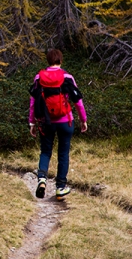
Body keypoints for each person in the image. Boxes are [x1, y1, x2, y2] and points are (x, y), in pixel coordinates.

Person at [29, 48, 88, 201]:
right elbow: (78, 101)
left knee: (45, 151)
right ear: (60, 60)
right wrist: (83, 119)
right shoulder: (67, 77)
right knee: (63, 153)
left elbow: (33, 102)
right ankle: (60, 188)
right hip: (65, 121)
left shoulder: (38, 77)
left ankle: (42, 178)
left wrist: (32, 122)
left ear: (48, 61)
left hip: (45, 122)